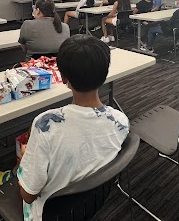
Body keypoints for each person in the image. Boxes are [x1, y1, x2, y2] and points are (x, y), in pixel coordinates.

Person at [16, 34, 129, 221]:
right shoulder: (121, 121)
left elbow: (28, 195)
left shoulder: (45, 125)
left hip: (49, 213)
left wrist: (24, 160)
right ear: (105, 74)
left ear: (62, 77)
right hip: (89, 205)